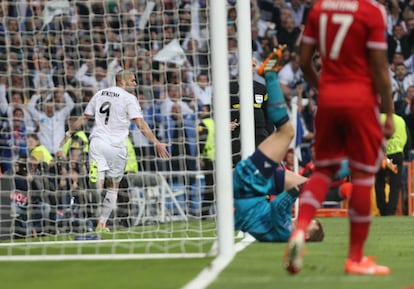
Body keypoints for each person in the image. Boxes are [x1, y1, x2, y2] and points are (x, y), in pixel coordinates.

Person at [283, 0, 395, 275]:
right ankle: (355, 258)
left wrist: (325, 87)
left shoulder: (320, 8)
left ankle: (300, 229)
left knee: (323, 170)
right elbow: (380, 68)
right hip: (360, 100)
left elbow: (304, 58)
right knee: (363, 176)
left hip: (329, 100)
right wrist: (389, 113)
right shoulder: (372, 11)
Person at [60, 70, 170, 233]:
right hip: (116, 147)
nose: (135, 84)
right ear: (123, 81)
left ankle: (96, 179)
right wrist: (156, 142)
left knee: (99, 183)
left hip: (97, 142)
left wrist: (67, 134)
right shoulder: (129, 98)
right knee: (113, 188)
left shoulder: (100, 94)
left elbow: (84, 117)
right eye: (133, 80)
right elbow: (140, 123)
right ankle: (101, 223)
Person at [233, 46, 323, 243]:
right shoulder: (287, 230)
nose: (306, 220)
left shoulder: (285, 232)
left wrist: (292, 193)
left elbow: (277, 207)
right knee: (307, 184)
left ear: (306, 234)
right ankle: (270, 75)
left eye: (310, 222)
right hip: (251, 189)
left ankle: (270, 76)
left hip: (249, 185)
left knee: (287, 132)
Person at [375, 113, 407, 216]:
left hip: (382, 156)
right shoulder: (400, 119)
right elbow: (406, 138)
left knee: (380, 183)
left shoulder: (378, 117)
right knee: (395, 184)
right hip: (396, 155)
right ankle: (391, 211)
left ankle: (382, 209)